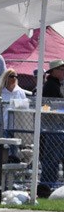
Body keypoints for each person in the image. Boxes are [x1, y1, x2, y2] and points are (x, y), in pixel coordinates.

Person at [38, 59, 64, 194]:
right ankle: (46, 186)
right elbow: (50, 107)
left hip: (55, 127)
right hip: (53, 127)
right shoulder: (51, 86)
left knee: (54, 158)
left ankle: (49, 185)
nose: (63, 72)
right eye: (61, 69)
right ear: (53, 71)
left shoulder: (55, 85)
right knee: (51, 158)